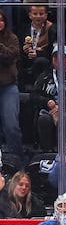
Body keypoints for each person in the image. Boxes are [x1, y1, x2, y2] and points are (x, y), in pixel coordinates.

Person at [17, 0, 56, 92]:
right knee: (17, 59)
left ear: (46, 15)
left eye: (41, 14)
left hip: (43, 58)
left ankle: (39, 89)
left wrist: (37, 53)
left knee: (40, 61)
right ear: (30, 15)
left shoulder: (52, 28)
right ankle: (21, 88)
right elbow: (17, 46)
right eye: (35, 14)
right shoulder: (23, 28)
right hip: (26, 58)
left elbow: (53, 49)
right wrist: (23, 49)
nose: (38, 16)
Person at [0, 9, 22, 156]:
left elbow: (11, 56)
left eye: (1, 20)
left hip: (8, 86)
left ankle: (18, 160)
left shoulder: (12, 38)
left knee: (11, 126)